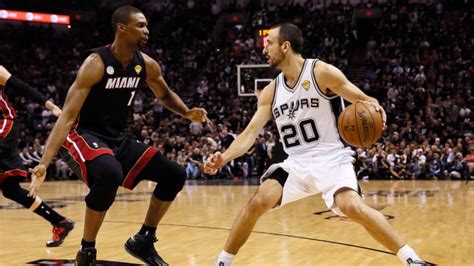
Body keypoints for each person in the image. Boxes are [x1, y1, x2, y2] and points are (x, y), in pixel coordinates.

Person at [204, 23, 430, 265]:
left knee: (352, 206)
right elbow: (250, 133)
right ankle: (222, 261)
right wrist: (224, 158)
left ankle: (411, 259)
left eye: (269, 42)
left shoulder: (320, 72)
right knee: (258, 200)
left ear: (286, 46)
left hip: (332, 157)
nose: (264, 49)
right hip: (296, 163)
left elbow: (363, 98)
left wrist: (375, 107)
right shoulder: (271, 91)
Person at [28, 6, 210, 266]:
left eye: (147, 25)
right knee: (109, 173)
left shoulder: (146, 64)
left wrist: (187, 113)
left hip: (115, 140)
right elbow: (67, 116)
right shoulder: (96, 63)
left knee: (175, 174)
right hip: (80, 135)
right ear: (121, 28)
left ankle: (143, 240)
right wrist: (45, 161)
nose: (146, 30)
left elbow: (165, 95)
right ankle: (87, 251)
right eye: (140, 25)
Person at [0, 65, 74, 247]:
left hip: (4, 123)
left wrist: (50, 106)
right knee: (10, 189)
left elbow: (22, 87)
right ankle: (60, 222)